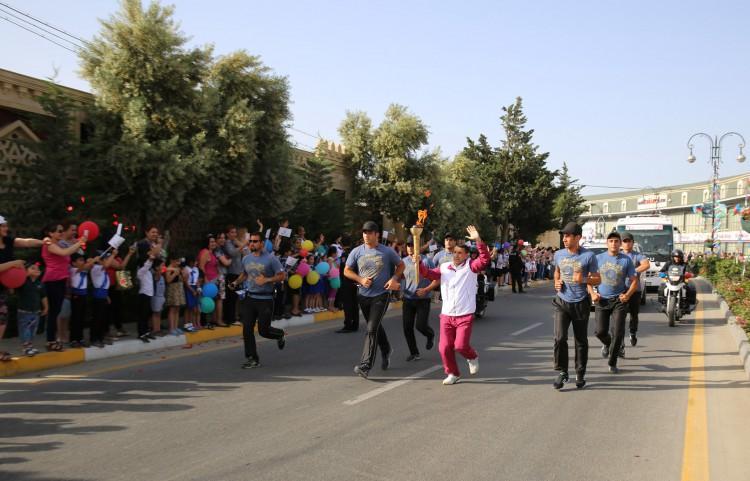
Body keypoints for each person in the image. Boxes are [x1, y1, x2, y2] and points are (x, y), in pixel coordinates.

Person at [416, 225, 489, 385]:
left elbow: (484, 260)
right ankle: (453, 373)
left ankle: (472, 357)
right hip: (447, 315)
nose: (456, 255)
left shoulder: (471, 267)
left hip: (465, 314)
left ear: (466, 255)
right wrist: (419, 263)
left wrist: (478, 240)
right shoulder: (444, 268)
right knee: (444, 347)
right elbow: (428, 274)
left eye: (460, 253)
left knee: (461, 346)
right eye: (454, 252)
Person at [344, 221, 404, 379]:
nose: (366, 235)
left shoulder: (387, 251)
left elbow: (401, 265)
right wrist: (360, 279)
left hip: (381, 294)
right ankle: (386, 349)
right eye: (364, 232)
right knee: (375, 326)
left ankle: (365, 365)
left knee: (371, 329)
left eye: (369, 232)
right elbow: (347, 271)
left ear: (377, 234)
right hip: (363, 295)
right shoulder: (357, 251)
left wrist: (393, 279)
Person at [552, 222, 600, 390]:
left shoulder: (589, 256)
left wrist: (584, 279)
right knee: (560, 338)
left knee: (580, 340)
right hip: (562, 301)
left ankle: (580, 373)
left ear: (578, 237)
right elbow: (557, 272)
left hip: (580, 303)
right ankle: (563, 371)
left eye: (568, 236)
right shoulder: (558, 254)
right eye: (563, 236)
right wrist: (557, 282)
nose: (564, 239)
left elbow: (598, 279)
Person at [230, 231, 287, 369]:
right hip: (250, 298)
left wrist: (267, 280)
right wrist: (235, 282)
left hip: (265, 299)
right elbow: (245, 274)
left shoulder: (271, 259)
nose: (252, 244)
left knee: (263, 331)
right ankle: (252, 358)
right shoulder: (246, 259)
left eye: (255, 241)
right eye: (251, 241)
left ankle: (279, 334)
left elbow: (282, 276)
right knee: (247, 329)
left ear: (261, 243)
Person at [590, 232, 637, 374]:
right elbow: (589, 279)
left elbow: (634, 281)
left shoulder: (626, 260)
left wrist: (627, 295)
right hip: (602, 300)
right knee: (600, 332)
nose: (614, 244)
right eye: (611, 241)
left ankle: (612, 362)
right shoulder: (598, 258)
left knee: (618, 332)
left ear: (620, 244)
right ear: (607, 243)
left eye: (616, 241)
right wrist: (593, 293)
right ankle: (608, 344)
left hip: (619, 300)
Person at [0, 215, 44, 360]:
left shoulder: (8, 241)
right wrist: (13, 263)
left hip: (2, 289)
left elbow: (25, 242)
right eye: (3, 226)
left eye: (6, 225)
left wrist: (43, 242)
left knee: (2, 320)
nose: (6, 228)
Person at [401, 236, 438, 361]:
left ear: (417, 246)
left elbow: (436, 278)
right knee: (407, 327)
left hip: (423, 299)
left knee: (420, 326)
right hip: (408, 299)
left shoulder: (427, 261)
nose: (410, 248)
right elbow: (399, 277)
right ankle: (414, 353)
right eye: (408, 245)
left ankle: (430, 334)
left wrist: (426, 290)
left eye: (412, 245)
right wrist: (398, 288)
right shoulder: (403, 262)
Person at [621, 232, 650, 347]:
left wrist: (632, 271)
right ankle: (620, 340)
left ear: (633, 243)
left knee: (634, 314)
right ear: (621, 243)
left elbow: (646, 265)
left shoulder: (637, 255)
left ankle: (632, 332)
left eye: (629, 241)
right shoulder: (617, 255)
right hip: (620, 290)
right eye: (625, 241)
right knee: (620, 315)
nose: (627, 243)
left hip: (634, 290)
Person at [16, 262, 48, 357]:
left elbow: (43, 296)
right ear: (26, 271)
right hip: (24, 312)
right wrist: (24, 274)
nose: (36, 270)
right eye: (33, 268)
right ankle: (26, 348)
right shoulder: (22, 282)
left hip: (36, 311)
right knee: (25, 330)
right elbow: (13, 287)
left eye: (37, 268)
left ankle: (30, 346)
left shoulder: (40, 284)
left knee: (32, 330)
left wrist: (46, 307)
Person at [336, 235, 360, 333]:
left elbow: (344, 269)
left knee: (348, 304)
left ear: (342, 244)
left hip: (347, 282)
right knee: (354, 303)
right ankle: (355, 324)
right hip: (355, 281)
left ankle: (348, 325)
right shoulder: (355, 252)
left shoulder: (345, 255)